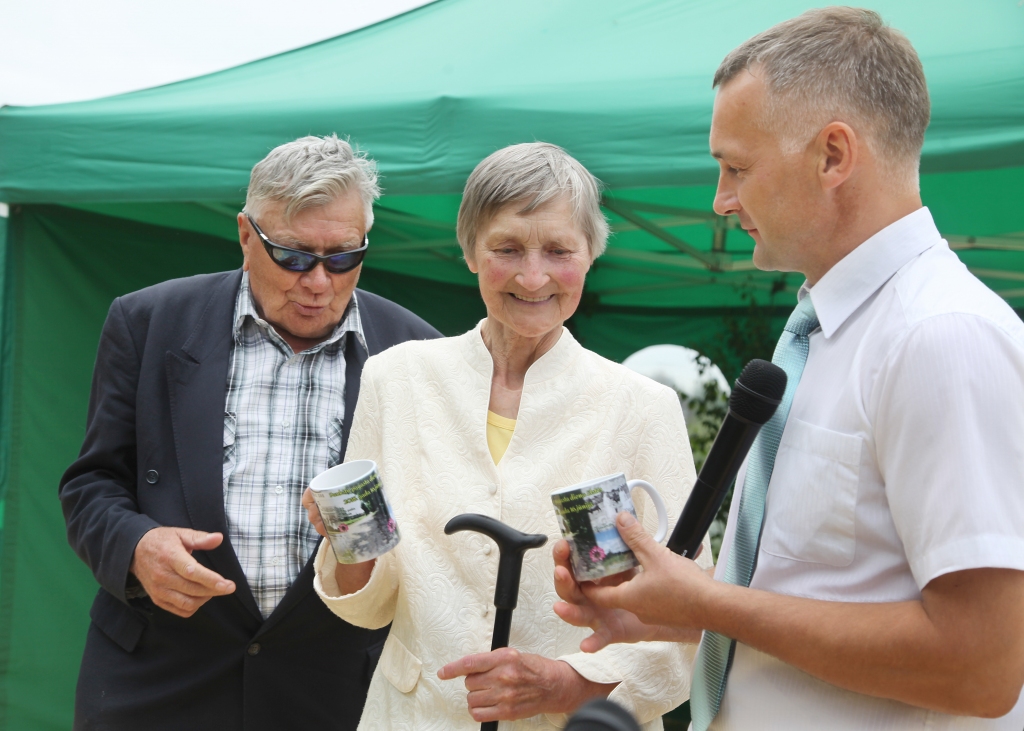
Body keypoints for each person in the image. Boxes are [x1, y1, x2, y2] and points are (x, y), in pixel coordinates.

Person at [552, 8, 1024, 730]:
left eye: (736, 166)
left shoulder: (940, 336)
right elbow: (824, 596)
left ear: (834, 155)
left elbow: (984, 664)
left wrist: (708, 602)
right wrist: (676, 609)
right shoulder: (825, 332)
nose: (720, 200)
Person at [302, 142, 714, 730]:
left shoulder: (642, 407)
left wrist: (565, 684)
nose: (533, 275)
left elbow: (688, 622)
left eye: (558, 250)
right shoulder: (397, 379)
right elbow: (370, 605)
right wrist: (347, 546)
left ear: (591, 254)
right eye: (508, 248)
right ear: (470, 250)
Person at [59, 135, 442, 730]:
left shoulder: (419, 352)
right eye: (293, 256)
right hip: (161, 681)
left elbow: (436, 518)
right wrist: (136, 548)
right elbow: (92, 485)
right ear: (245, 235)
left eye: (342, 257)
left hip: (335, 687)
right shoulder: (148, 322)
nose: (318, 282)